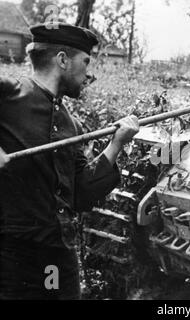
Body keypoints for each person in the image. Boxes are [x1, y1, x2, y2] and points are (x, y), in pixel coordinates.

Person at [0, 23, 139, 300]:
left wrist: (116, 144)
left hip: (56, 256)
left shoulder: (71, 125)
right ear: (63, 60)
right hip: (9, 256)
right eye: (86, 61)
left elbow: (81, 192)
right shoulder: (10, 93)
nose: (89, 73)